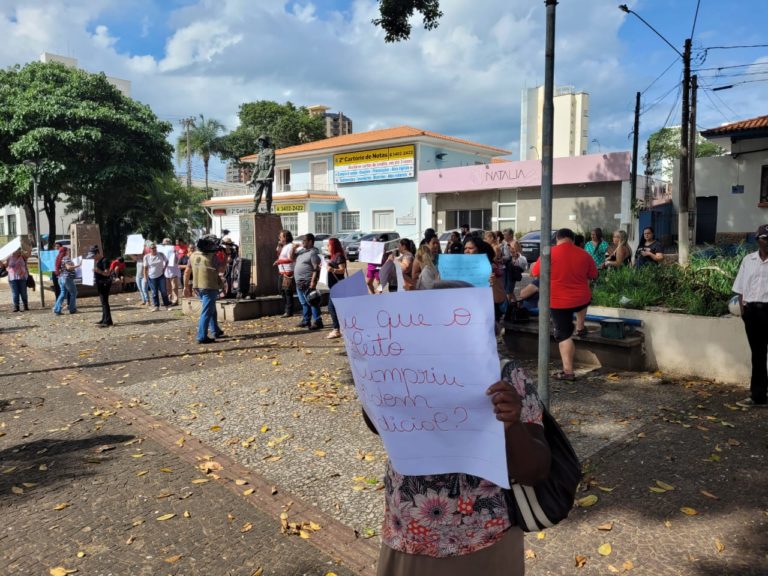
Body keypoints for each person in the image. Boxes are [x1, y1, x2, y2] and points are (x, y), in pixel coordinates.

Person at [369, 283, 550, 576]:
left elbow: (536, 470)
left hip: (485, 542)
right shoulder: (401, 367)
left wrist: (512, 423)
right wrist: (373, 383)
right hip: (409, 537)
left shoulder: (505, 375)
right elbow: (377, 426)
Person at [531, 228, 598, 381]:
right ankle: (580, 326)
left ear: (556, 239)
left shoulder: (548, 254)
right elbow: (593, 275)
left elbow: (535, 273)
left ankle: (568, 372)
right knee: (584, 300)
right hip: (581, 298)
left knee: (564, 335)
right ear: (573, 240)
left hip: (558, 301)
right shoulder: (584, 254)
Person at [732, 224, 768, 408]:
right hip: (753, 313)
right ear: (758, 240)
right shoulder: (749, 260)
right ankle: (758, 396)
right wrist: (744, 311)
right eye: (765, 238)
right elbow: (740, 287)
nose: (767, 242)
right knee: (758, 355)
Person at [189, 235, 225, 344]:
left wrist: (186, 286)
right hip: (209, 287)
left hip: (198, 286)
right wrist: (226, 255)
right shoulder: (212, 257)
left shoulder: (193, 255)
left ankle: (216, 330)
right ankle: (201, 336)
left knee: (211, 310)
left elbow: (187, 271)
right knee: (206, 312)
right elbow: (222, 268)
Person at [465, 236, 506, 321]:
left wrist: (493, 284)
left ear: (480, 250)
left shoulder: (491, 269)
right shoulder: (462, 269)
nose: (466, 251)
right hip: (467, 312)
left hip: (486, 315)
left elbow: (500, 299)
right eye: (465, 248)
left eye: (470, 248)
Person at [294, 233, 322, 330]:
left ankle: (318, 321)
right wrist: (293, 248)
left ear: (310, 241)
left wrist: (313, 281)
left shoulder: (313, 253)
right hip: (299, 282)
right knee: (304, 303)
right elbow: (291, 257)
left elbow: (316, 267)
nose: (302, 242)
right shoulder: (302, 252)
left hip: (307, 281)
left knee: (312, 301)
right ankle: (306, 320)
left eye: (304, 240)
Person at [325, 237, 347, 339]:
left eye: (329, 245)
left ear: (333, 245)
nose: (327, 247)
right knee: (337, 307)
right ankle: (342, 328)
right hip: (334, 285)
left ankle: (336, 329)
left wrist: (332, 269)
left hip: (338, 286)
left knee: (331, 307)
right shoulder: (334, 256)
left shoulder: (339, 256)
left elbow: (342, 270)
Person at [248, 134, 276, 213]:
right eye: (259, 141)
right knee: (258, 192)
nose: (260, 143)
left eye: (262, 141)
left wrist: (268, 174)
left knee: (268, 194)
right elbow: (256, 167)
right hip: (260, 175)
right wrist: (253, 177)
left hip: (268, 174)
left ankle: (268, 209)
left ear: (265, 142)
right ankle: (255, 207)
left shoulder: (271, 151)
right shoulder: (259, 154)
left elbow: (272, 164)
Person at [274, 230, 297, 317]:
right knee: (281, 290)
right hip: (282, 271)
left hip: (288, 271)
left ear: (286, 237)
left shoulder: (290, 246)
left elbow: (291, 259)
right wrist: (279, 246)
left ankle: (289, 311)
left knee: (287, 291)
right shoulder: (284, 246)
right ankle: (287, 308)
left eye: (281, 236)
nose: (279, 238)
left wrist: (279, 261)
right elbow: (279, 255)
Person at [143, 242, 170, 311]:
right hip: (151, 277)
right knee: (154, 292)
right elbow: (145, 268)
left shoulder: (161, 254)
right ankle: (156, 306)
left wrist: (164, 268)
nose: (154, 249)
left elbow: (167, 261)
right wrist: (145, 278)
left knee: (163, 291)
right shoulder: (146, 257)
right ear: (149, 249)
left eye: (155, 247)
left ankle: (167, 305)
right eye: (152, 248)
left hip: (161, 276)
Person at [91, 246, 114, 327]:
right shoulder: (99, 261)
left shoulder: (105, 260)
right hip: (100, 283)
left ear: (97, 253)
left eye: (93, 256)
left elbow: (107, 273)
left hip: (104, 283)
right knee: (103, 302)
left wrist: (98, 271)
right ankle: (104, 319)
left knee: (104, 302)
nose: (92, 257)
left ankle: (108, 321)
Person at [53, 246, 78, 315]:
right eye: (68, 251)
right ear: (66, 251)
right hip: (67, 279)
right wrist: (78, 265)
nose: (69, 252)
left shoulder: (59, 258)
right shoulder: (66, 258)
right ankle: (72, 309)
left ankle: (56, 309)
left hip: (61, 278)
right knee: (74, 292)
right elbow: (68, 267)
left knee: (63, 294)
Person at [4, 247, 30, 312]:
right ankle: (16, 307)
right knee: (15, 292)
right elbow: (4, 266)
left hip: (22, 277)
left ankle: (25, 305)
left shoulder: (23, 257)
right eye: (17, 250)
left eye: (19, 250)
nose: (18, 251)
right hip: (12, 277)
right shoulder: (9, 257)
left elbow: (29, 253)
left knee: (23, 292)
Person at [162, 238, 181, 305]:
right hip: (165, 270)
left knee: (174, 286)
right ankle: (169, 299)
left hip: (173, 270)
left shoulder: (174, 249)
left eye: (166, 242)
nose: (165, 243)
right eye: (164, 242)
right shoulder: (162, 251)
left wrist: (175, 253)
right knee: (167, 287)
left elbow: (177, 260)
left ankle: (175, 300)